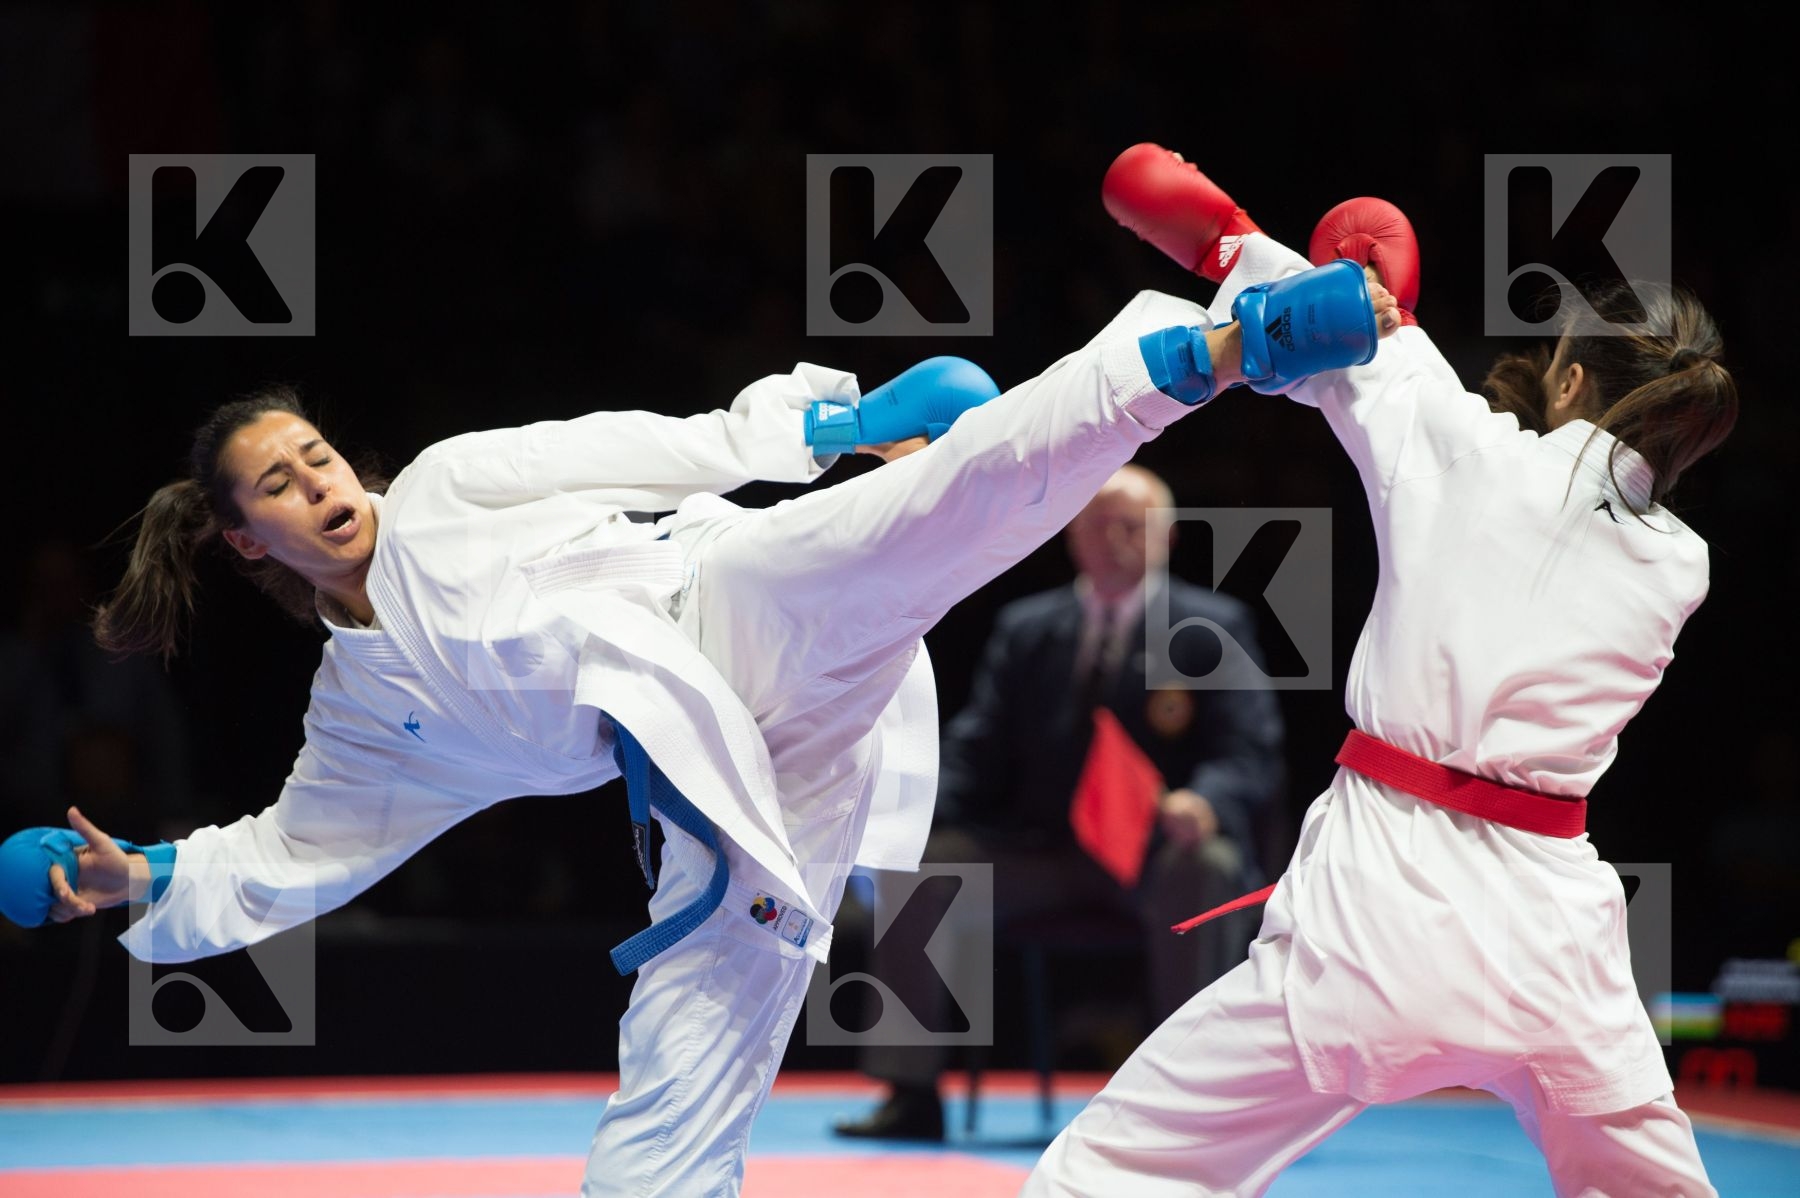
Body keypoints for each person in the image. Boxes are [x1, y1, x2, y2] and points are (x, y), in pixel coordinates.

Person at [7, 263, 1399, 1197]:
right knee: (676, 1088)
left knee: (945, 510)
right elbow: (296, 847)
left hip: (725, 605)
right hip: (716, 798)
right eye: (278, 484)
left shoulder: (447, 485)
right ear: (250, 541)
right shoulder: (366, 715)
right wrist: (146, 877)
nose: (314, 481)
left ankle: (1232, 341)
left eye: (314, 454)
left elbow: (640, 442)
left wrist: (828, 420)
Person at [1020, 146, 1737, 1196]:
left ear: (1572, 380)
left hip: (1375, 912)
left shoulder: (1469, 449)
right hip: (1555, 944)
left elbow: (1344, 343)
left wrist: (1222, 236)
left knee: (1116, 1170)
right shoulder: (1685, 563)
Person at [834, 463, 1285, 1141]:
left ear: (1168, 538)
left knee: (1210, 867)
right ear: (1072, 535)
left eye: (1132, 526)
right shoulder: (1027, 628)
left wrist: (1205, 800)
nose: (1114, 541)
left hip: (1157, 857)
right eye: (1098, 525)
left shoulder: (1210, 627)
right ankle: (911, 1094)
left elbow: (1253, 752)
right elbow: (974, 749)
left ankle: (1187, 1106)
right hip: (1041, 855)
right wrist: (898, 818)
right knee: (919, 867)